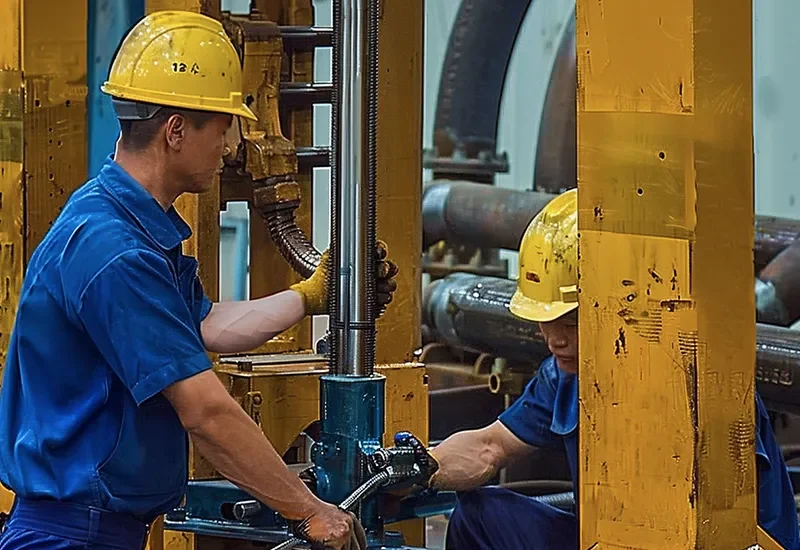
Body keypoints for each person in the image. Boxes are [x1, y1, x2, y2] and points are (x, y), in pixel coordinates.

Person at [0, 11, 390, 550]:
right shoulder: (115, 252)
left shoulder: (125, 223)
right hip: (75, 536)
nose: (230, 146)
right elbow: (204, 410)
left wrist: (310, 297)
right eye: (222, 125)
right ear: (176, 130)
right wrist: (308, 512)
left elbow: (203, 326)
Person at [423, 189, 800, 549]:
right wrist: (416, 470)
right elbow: (490, 446)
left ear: (620, 307)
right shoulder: (565, 376)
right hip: (615, 540)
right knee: (480, 516)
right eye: (544, 321)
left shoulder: (694, 384)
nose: (554, 340)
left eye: (570, 322)